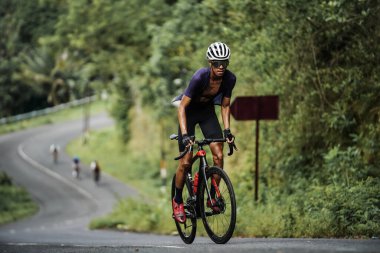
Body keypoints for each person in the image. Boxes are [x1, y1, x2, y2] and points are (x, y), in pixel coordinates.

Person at [172, 42, 236, 223]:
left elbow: (224, 105)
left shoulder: (230, 79)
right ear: (210, 62)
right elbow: (182, 107)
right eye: (217, 63)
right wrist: (185, 135)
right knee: (185, 162)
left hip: (207, 113)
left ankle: (212, 195)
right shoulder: (200, 77)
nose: (221, 67)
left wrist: (227, 131)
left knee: (218, 155)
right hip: (189, 112)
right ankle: (177, 200)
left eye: (224, 62)